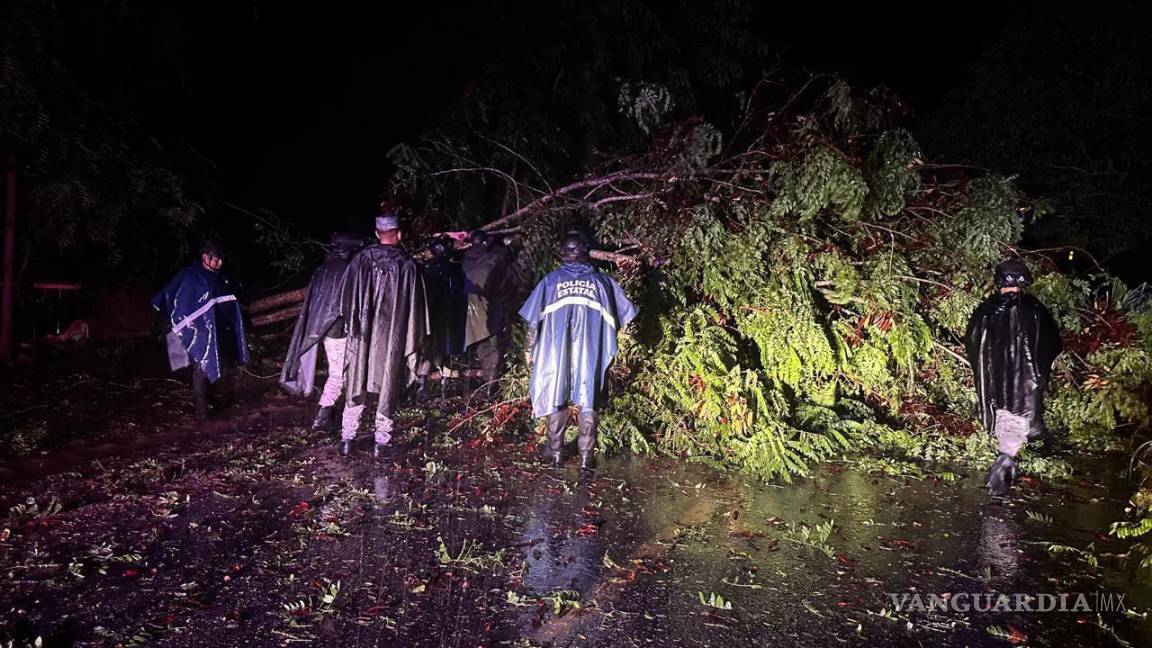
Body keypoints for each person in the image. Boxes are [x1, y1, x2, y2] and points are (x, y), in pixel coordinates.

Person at [519, 231, 637, 469]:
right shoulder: (603, 282)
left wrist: (529, 349)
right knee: (589, 399)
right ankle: (585, 457)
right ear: (586, 254)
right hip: (591, 350)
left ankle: (555, 451)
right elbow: (627, 316)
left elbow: (532, 321)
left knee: (555, 395)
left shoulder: (550, 281)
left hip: (554, 350)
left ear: (563, 255)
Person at [964, 259, 1062, 497]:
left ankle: (1003, 472)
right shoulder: (1034, 309)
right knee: (1016, 423)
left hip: (996, 387)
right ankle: (1002, 474)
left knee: (1007, 423)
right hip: (1025, 386)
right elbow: (1053, 343)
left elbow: (972, 341)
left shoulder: (986, 310)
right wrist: (1039, 369)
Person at [338, 213, 428, 456]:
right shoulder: (408, 266)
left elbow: (345, 300)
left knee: (358, 376)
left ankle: (348, 438)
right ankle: (381, 441)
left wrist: (355, 324)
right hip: (392, 337)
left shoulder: (360, 261)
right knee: (388, 381)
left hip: (363, 334)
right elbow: (416, 311)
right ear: (399, 234)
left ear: (378, 235)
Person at [150, 241, 249, 420]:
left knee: (222, 365)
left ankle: (212, 400)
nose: (220, 263)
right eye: (216, 259)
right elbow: (167, 296)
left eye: (221, 260)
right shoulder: (189, 275)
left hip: (216, 332)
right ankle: (201, 411)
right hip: (196, 332)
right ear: (205, 257)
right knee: (201, 368)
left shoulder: (220, 278)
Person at [280, 233, 364, 429]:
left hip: (326, 331)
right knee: (338, 375)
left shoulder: (322, 269)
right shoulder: (345, 270)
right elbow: (347, 305)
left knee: (337, 373)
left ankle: (327, 415)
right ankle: (323, 416)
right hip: (339, 331)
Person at [462, 229, 513, 396]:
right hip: (488, 308)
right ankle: (491, 388)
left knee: (480, 346)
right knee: (492, 346)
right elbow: (504, 256)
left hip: (468, 311)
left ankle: (481, 385)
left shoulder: (465, 259)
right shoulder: (492, 256)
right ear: (485, 243)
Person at [416, 235, 466, 399]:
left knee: (428, 351)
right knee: (443, 350)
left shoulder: (424, 269)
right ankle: (442, 386)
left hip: (429, 317)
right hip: (445, 317)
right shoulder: (451, 269)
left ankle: (423, 386)